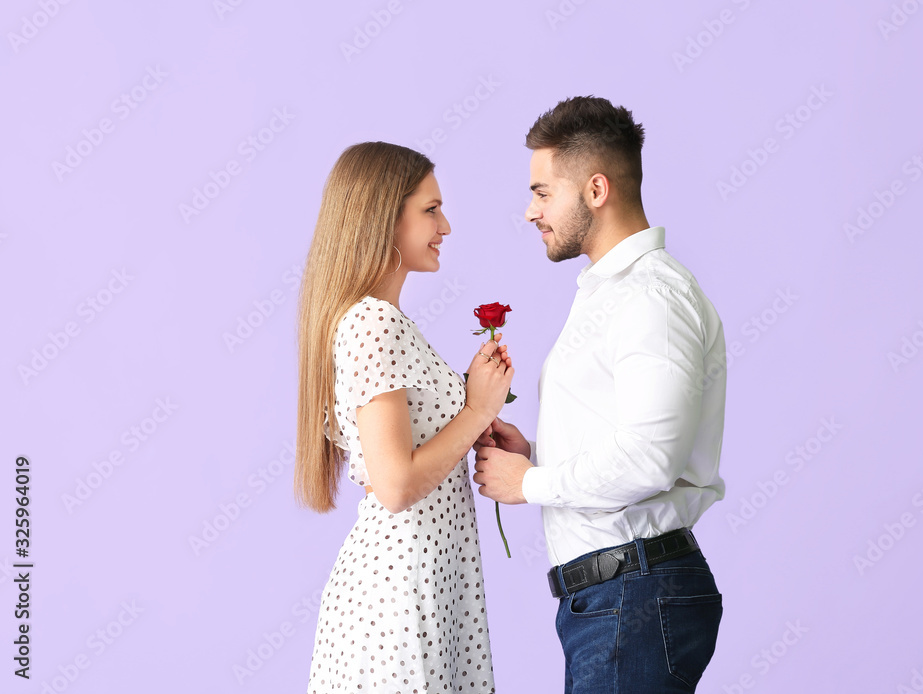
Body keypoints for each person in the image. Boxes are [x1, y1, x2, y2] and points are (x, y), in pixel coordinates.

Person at [472, 96, 728, 693]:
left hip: (632, 596)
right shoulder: (612, 291)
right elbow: (625, 438)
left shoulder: (649, 297)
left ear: (594, 189)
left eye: (542, 192)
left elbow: (650, 458)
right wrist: (537, 455)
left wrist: (528, 484)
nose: (530, 211)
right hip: (619, 596)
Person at [294, 141, 514, 693]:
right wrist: (477, 408)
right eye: (430, 209)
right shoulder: (373, 324)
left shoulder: (384, 322)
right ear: (383, 217)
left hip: (421, 580)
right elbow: (395, 485)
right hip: (399, 588)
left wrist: (474, 418)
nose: (446, 225)